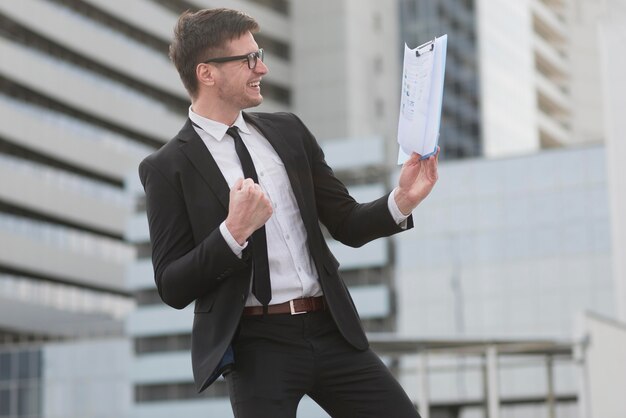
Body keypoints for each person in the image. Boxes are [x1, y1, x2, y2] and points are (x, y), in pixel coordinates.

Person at [139, 7, 438, 418]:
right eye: (247, 59)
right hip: (256, 347)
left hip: (330, 329)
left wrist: (402, 199)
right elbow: (172, 285)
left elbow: (346, 223)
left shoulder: (288, 132)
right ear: (206, 73)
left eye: (258, 54)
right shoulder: (166, 167)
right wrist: (233, 231)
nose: (261, 66)